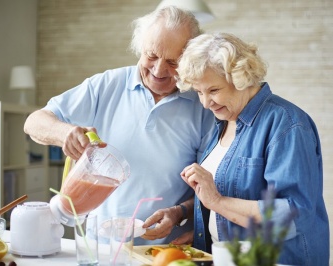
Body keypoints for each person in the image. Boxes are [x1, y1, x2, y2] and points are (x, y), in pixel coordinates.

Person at [23, 6, 215, 245]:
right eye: (152, 56)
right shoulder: (106, 85)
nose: (158, 70)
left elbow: (212, 184)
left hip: (162, 253)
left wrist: (180, 212)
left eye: (173, 62)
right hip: (99, 248)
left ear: (189, 61)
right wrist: (65, 134)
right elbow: (34, 122)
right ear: (140, 48)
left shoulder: (204, 106)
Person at [175, 32, 330, 265]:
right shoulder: (223, 122)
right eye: (199, 92)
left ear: (242, 78)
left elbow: (294, 215)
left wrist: (217, 201)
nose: (206, 103)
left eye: (214, 90)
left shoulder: (287, 123)